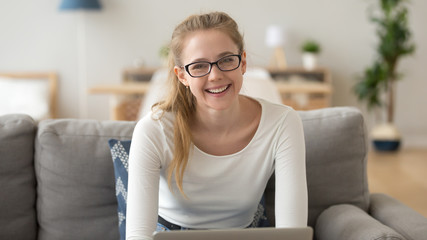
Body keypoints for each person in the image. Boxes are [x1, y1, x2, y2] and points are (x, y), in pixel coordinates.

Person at [126, 11, 307, 240]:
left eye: (226, 60)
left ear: (242, 63)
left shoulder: (283, 123)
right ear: (182, 76)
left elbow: (292, 233)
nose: (215, 75)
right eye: (199, 66)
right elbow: (138, 235)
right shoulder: (153, 131)